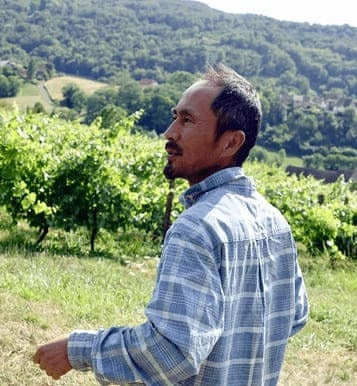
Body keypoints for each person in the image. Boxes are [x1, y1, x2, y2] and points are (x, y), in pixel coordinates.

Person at [33, 64, 308, 385]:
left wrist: (76, 350)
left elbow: (169, 353)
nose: (169, 132)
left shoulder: (198, 228)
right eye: (175, 116)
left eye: (187, 120)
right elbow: (294, 315)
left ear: (231, 143)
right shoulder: (274, 221)